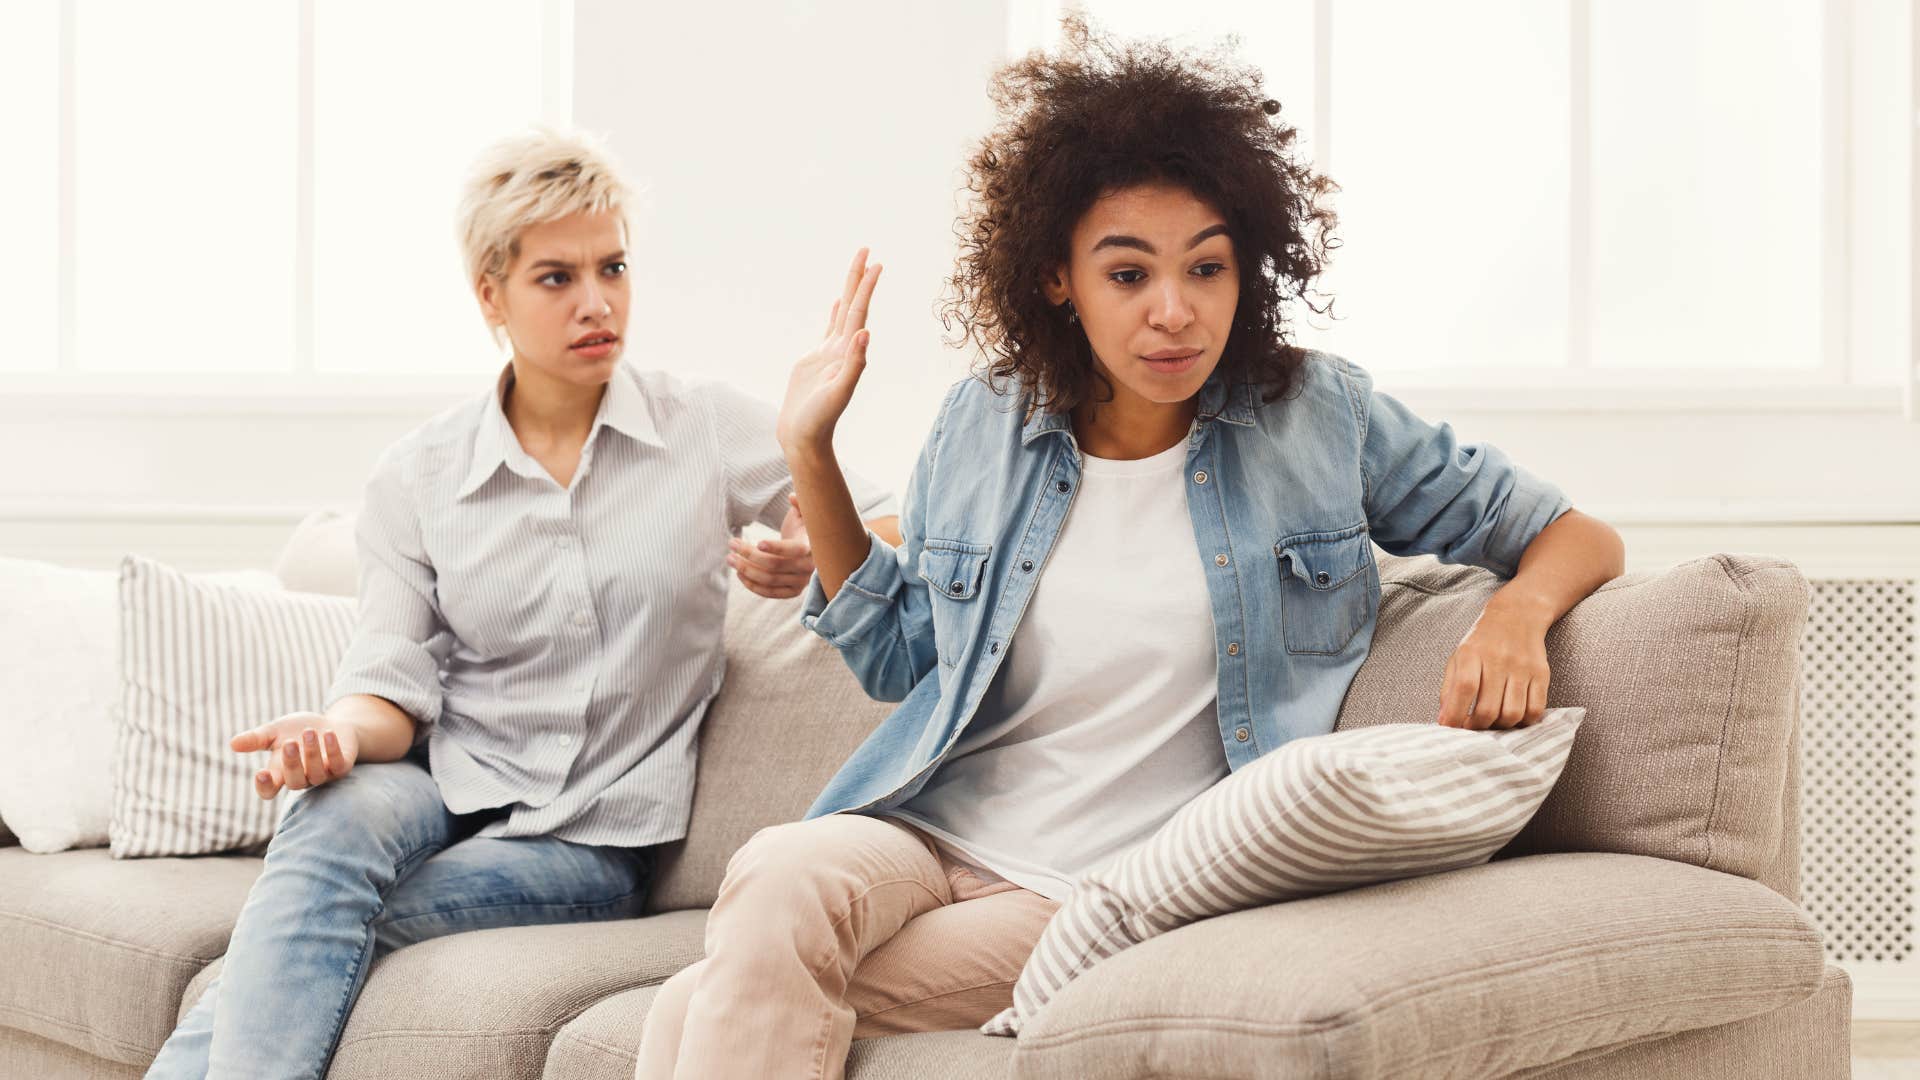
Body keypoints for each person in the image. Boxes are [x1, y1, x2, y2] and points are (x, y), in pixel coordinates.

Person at [634, 20, 1626, 1080]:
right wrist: (810, 450)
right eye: (1127, 273)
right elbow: (897, 658)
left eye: (1207, 267)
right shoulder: (986, 421)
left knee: (699, 1001)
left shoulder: (1317, 416)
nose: (1175, 312)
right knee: (777, 869)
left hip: (1099, 887)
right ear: (1058, 277)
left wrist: (1516, 616)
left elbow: (1574, 534)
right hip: (931, 826)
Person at [144, 127, 899, 1080]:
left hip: (590, 835)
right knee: (327, 825)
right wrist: (336, 734)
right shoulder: (419, 475)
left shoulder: (699, 428)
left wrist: (811, 546)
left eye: (612, 267)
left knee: (301, 929)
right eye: (556, 277)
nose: (597, 301)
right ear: (490, 295)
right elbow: (387, 684)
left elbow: (889, 519)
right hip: (439, 783)